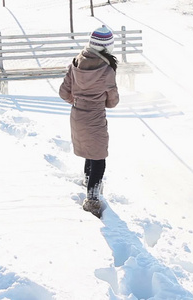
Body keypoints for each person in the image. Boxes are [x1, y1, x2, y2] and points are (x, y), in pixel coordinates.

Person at [59, 25, 119, 217]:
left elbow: (63, 92)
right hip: (94, 117)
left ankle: (87, 180)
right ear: (107, 47)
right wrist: (97, 101)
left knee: (90, 150)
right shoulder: (106, 70)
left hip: (77, 116)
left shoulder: (76, 62)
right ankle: (92, 199)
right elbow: (113, 101)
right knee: (99, 156)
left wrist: (78, 101)